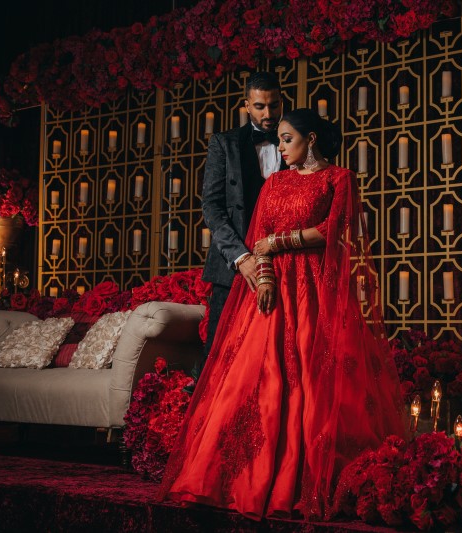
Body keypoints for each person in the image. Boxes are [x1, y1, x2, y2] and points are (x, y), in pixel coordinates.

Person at [158, 109, 406, 521]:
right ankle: (243, 479)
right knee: (261, 376)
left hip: (316, 288)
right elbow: (258, 238)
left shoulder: (338, 178)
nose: (281, 147)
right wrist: (267, 276)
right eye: (279, 141)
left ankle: (306, 481)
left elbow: (332, 230)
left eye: (287, 139)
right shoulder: (275, 182)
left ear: (310, 139)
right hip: (275, 288)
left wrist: (277, 242)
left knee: (313, 370)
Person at [194, 71, 284, 388]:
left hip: (284, 262)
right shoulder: (225, 143)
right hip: (233, 265)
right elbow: (212, 207)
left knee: (278, 357)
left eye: (274, 105)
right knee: (218, 357)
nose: (268, 114)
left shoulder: (298, 140)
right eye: (260, 106)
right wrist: (241, 257)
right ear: (247, 105)